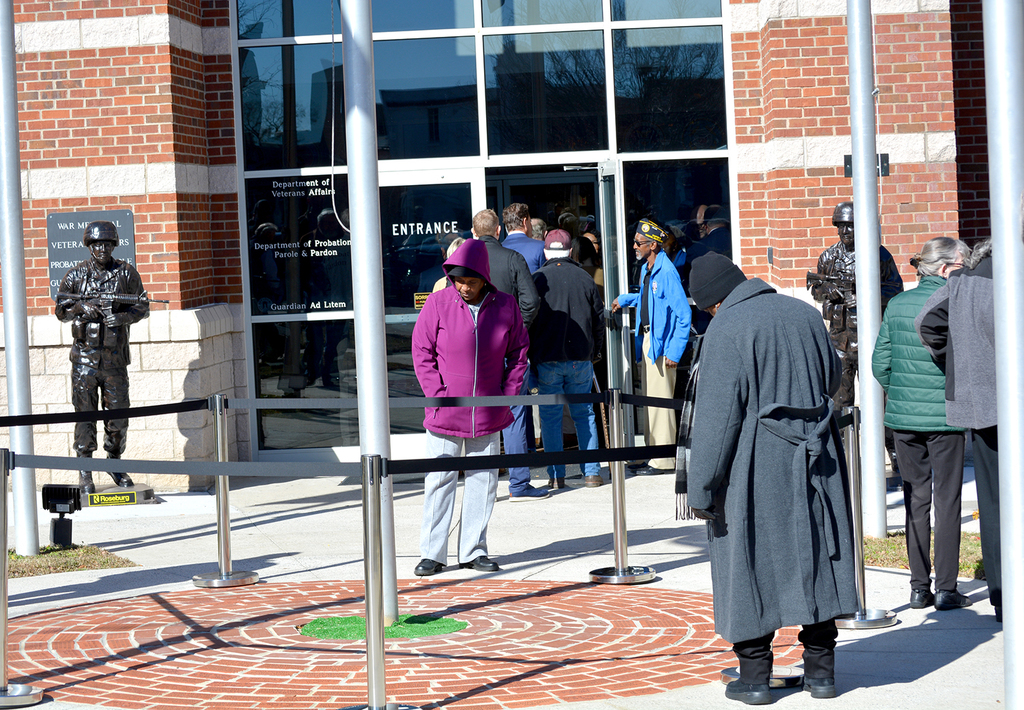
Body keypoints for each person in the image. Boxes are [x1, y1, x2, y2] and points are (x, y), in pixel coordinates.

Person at [685, 252, 858, 704]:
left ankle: (756, 679)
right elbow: (832, 377)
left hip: (756, 463)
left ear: (713, 302)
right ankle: (822, 675)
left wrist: (702, 486)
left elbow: (717, 421)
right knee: (819, 555)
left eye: (706, 307)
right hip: (818, 456)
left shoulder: (727, 328)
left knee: (748, 562)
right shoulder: (804, 313)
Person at [411, 238, 530, 576]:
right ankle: (432, 553)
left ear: (485, 279)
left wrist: (505, 395)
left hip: (488, 413)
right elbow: (421, 351)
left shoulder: (506, 305)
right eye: (459, 280)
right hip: (445, 412)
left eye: (471, 281)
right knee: (439, 481)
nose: (464, 287)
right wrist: (438, 394)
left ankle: (473, 551)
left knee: (483, 481)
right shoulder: (437, 303)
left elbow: (519, 353)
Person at [872, 237, 973, 612]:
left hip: (903, 419)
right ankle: (946, 589)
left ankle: (918, 588)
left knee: (917, 499)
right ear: (946, 268)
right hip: (946, 418)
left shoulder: (897, 304)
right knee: (948, 500)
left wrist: (900, 393)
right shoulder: (956, 303)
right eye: (962, 263)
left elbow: (879, 363)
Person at [916, 238, 1001, 622]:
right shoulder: (989, 280)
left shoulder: (965, 283)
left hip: (984, 407)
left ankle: (1002, 595)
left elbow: (926, 323)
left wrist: (959, 361)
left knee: (995, 504)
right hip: (996, 402)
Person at [55, 221, 152, 494]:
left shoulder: (126, 273)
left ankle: (114, 461)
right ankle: (85, 470)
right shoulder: (76, 275)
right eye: (97, 244)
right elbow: (61, 309)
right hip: (85, 361)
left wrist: (120, 317)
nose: (102, 248)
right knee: (85, 416)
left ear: (113, 245)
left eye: (107, 244)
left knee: (119, 418)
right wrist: (82, 307)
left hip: (114, 360)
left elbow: (142, 306)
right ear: (89, 245)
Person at [471, 209, 547, 500]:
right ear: (498, 231)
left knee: (476, 411)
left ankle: (481, 485)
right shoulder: (512, 259)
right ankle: (518, 483)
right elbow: (532, 301)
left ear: (474, 232)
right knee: (514, 413)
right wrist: (518, 331)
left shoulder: (465, 261)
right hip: (508, 349)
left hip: (474, 351)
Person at [610, 218, 691, 474]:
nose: (634, 246)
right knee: (651, 404)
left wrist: (674, 351)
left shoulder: (666, 272)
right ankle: (652, 454)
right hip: (650, 341)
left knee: (660, 405)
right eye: (635, 241)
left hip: (663, 346)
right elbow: (648, 298)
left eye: (639, 242)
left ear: (654, 245)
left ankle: (664, 460)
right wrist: (625, 299)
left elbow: (683, 315)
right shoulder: (650, 268)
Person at [530, 230, 605, 489]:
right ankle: (592, 473)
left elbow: (529, 320)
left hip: (548, 358)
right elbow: (599, 319)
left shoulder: (537, 279)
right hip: (580, 359)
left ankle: (555, 474)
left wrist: (531, 355)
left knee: (550, 418)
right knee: (584, 415)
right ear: (571, 252)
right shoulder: (585, 278)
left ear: (546, 252)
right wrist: (596, 352)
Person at [502, 203, 545, 273]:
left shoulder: (498, 248)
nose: (531, 226)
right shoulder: (541, 247)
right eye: (530, 221)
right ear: (524, 222)